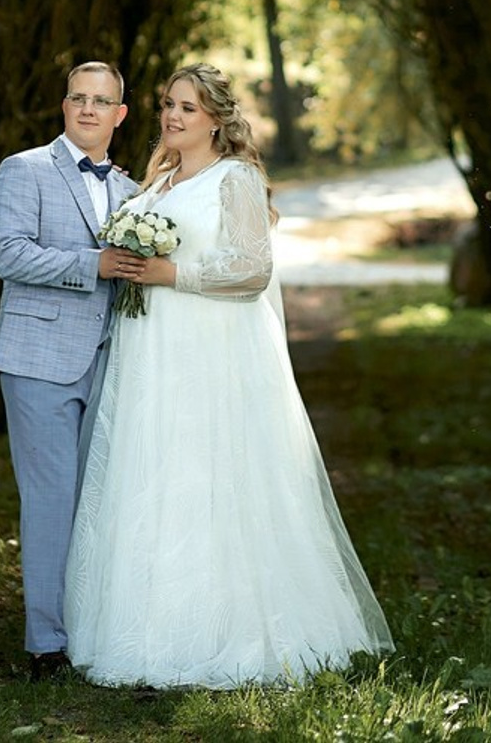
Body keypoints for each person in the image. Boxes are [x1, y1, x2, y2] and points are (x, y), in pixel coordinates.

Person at [64, 63, 394, 689]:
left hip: (208, 349)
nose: (173, 116)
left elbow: (252, 271)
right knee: (154, 472)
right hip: (151, 351)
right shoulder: (157, 184)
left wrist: (173, 275)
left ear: (216, 119)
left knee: (212, 472)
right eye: (167, 104)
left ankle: (236, 629)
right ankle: (147, 625)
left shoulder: (235, 178)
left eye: (188, 108)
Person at [0, 60, 142, 680]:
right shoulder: (23, 169)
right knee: (51, 500)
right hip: (39, 359)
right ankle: (46, 645)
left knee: (99, 500)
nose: (88, 110)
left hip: (112, 359)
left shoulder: (134, 192)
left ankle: (92, 628)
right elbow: (8, 253)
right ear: (63, 106)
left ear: (119, 115)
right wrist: (92, 264)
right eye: (78, 98)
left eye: (101, 102)